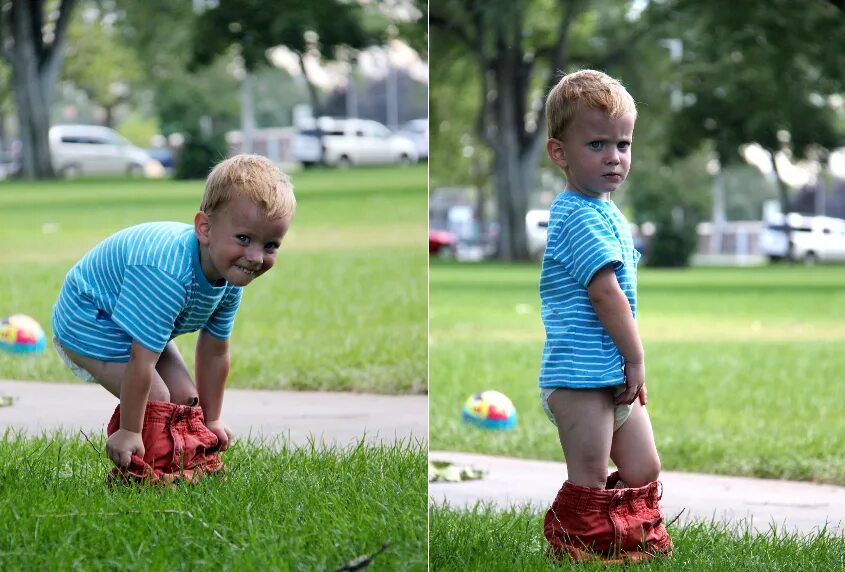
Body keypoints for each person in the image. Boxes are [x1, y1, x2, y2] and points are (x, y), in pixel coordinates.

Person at [51, 154, 295, 480]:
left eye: (270, 245)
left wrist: (210, 420)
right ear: (204, 228)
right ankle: (140, 474)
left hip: (130, 316)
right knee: (158, 400)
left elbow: (215, 351)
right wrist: (130, 430)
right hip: (89, 316)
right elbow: (142, 359)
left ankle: (185, 462)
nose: (255, 258)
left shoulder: (230, 275)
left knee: (185, 399)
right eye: (243, 238)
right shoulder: (168, 274)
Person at [538, 70, 672, 561]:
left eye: (623, 143)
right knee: (590, 478)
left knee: (643, 468)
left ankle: (619, 536)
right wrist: (636, 359)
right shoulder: (574, 213)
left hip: (609, 374)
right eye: (597, 144)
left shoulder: (606, 211)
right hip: (578, 379)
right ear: (561, 153)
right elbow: (605, 294)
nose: (614, 157)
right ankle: (576, 549)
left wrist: (625, 366)